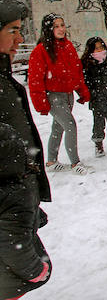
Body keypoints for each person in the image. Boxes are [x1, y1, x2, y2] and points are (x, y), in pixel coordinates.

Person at [0, 0, 52, 299]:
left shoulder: (3, 76)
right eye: (13, 30)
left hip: (17, 205)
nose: (20, 39)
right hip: (9, 210)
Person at [27, 14, 91, 175]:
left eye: (62, 25)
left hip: (67, 95)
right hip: (53, 96)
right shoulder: (40, 50)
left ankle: (51, 160)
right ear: (49, 29)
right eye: (56, 26)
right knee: (70, 125)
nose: (61, 29)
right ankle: (75, 163)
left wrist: (82, 91)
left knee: (58, 128)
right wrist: (41, 104)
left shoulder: (68, 46)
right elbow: (35, 79)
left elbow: (76, 72)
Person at [0, 124, 51, 300]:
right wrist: (36, 271)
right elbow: (13, 245)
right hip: (6, 277)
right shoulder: (15, 195)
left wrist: (34, 214)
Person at [80, 37, 107, 157]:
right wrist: (92, 93)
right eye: (96, 48)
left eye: (101, 47)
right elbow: (86, 82)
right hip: (97, 99)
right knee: (98, 122)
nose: (99, 50)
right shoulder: (87, 64)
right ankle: (98, 143)